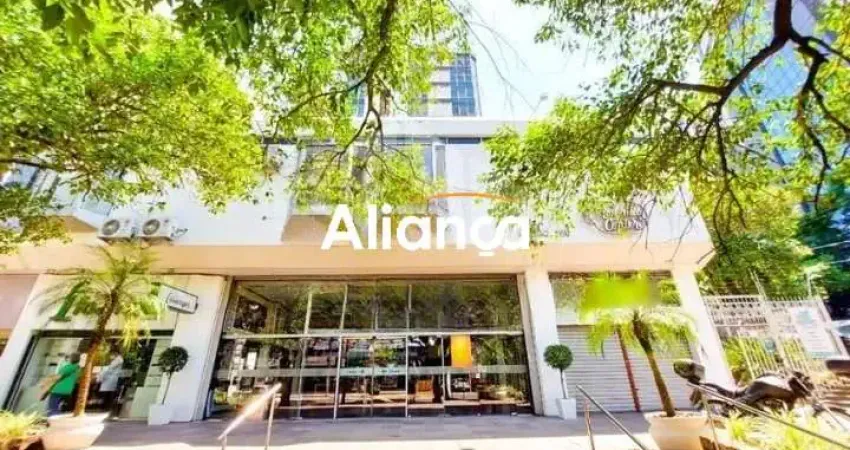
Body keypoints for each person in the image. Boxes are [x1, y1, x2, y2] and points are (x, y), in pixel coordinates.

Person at [97, 348, 124, 415]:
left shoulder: (118, 360)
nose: (111, 355)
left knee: (110, 394)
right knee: (109, 393)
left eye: (112, 353)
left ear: (116, 353)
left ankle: (108, 408)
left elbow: (110, 368)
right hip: (111, 379)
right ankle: (107, 407)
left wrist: (101, 375)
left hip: (113, 379)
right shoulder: (116, 359)